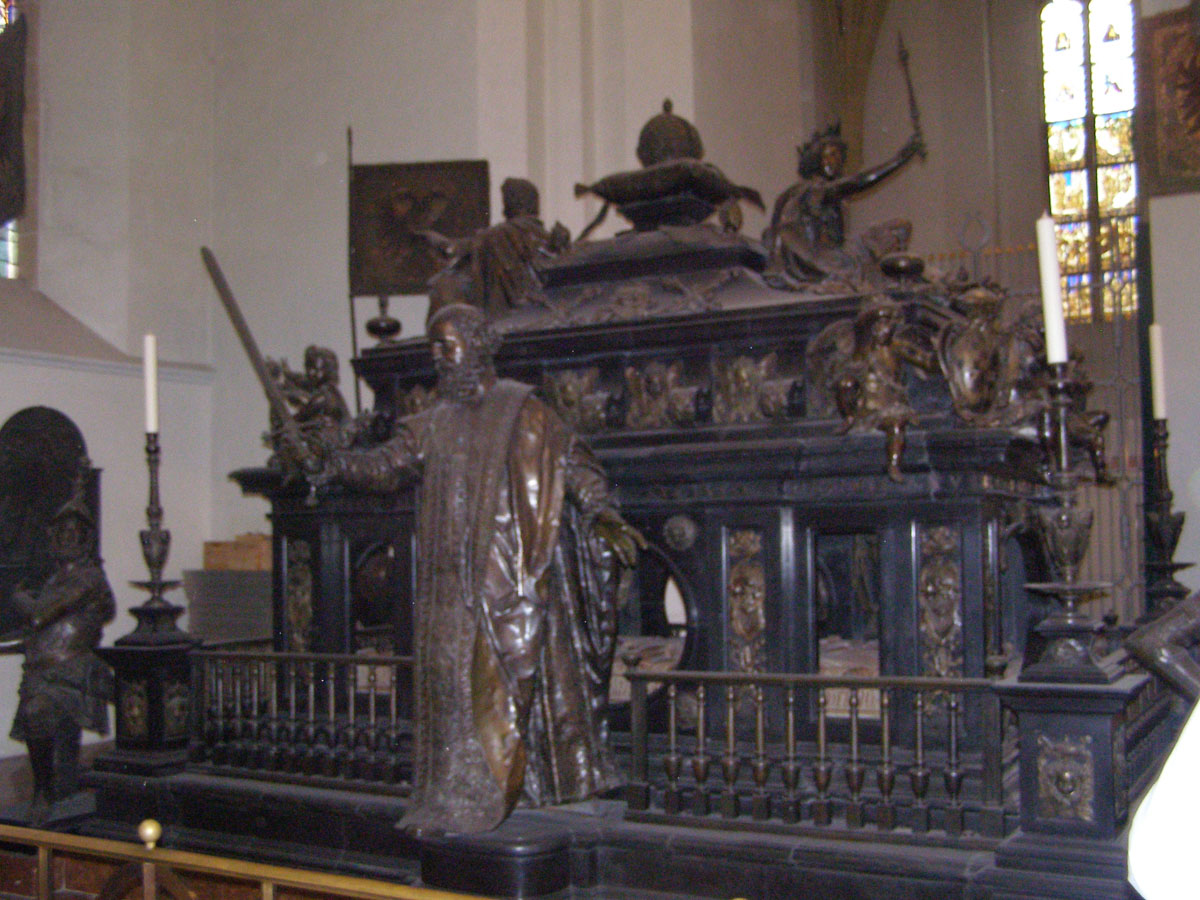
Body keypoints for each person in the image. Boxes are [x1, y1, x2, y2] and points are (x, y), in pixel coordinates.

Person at [313, 303, 643, 834]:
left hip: (508, 577)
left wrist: (599, 509)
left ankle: (522, 788)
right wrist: (333, 463)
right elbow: (385, 466)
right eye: (433, 346)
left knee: (516, 685)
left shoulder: (522, 410)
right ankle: (454, 797)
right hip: (446, 585)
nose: (438, 356)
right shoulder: (432, 421)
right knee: (452, 694)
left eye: (447, 345)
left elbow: (571, 463)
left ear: (478, 346)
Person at [0, 468, 114, 825]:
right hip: (42, 670)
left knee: (39, 715)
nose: (67, 537)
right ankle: (59, 792)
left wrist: (19, 598)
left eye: (74, 532)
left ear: (85, 539)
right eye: (62, 532)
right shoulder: (55, 579)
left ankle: (43, 794)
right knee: (58, 738)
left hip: (70, 671)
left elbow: (40, 616)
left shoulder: (88, 577)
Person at [763, 123, 924, 284]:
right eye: (830, 155)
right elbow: (858, 182)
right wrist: (899, 160)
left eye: (839, 156)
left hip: (841, 253)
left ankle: (900, 279)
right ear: (816, 160)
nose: (835, 161)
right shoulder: (813, 190)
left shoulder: (818, 192)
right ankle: (898, 281)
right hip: (825, 262)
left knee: (901, 226)